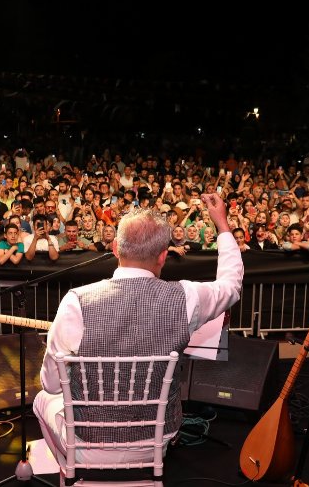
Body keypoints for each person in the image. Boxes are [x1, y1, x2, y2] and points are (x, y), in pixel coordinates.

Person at [33, 192, 243, 468]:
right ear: (163, 257)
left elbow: (51, 384)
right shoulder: (187, 297)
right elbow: (231, 285)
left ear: (116, 249)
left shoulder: (77, 301)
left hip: (88, 439)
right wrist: (223, 226)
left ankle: (70, 469)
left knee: (41, 398)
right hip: (156, 440)